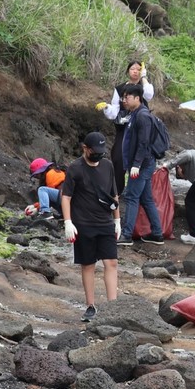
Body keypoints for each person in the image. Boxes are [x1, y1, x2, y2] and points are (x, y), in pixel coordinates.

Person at [61, 132, 122, 322]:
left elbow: (113, 194)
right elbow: (66, 197)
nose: (98, 155)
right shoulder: (75, 168)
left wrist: (117, 220)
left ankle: (113, 307)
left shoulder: (107, 165)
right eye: (95, 151)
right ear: (85, 149)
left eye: (101, 151)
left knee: (111, 262)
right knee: (88, 264)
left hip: (105, 222)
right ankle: (90, 306)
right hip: (83, 223)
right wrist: (68, 222)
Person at [117, 84, 165, 246]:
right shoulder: (135, 114)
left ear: (137, 98)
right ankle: (157, 234)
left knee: (131, 197)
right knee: (146, 199)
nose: (124, 100)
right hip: (143, 163)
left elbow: (144, 143)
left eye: (127, 97)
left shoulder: (142, 116)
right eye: (123, 97)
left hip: (142, 164)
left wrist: (136, 164)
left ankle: (126, 235)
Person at [98, 60, 154, 195]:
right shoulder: (120, 88)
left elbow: (149, 95)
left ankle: (138, 191)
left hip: (139, 127)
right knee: (118, 157)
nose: (135, 71)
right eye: (132, 69)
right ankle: (117, 191)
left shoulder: (143, 87)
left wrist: (144, 77)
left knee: (140, 157)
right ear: (128, 71)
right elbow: (115, 110)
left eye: (138, 69)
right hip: (123, 127)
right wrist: (106, 107)